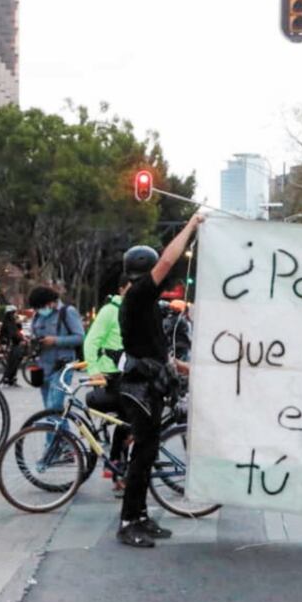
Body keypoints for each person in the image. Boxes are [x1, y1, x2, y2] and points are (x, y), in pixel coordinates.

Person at [116, 214, 203, 548]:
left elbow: (160, 353)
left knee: (148, 453)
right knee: (143, 454)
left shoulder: (148, 304)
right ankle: (127, 521)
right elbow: (169, 258)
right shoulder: (138, 296)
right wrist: (192, 224)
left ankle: (140, 516)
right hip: (139, 387)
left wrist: (186, 368)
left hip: (149, 382)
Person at [83, 275, 131, 494]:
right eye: (129, 288)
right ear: (121, 289)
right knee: (126, 423)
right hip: (112, 377)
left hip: (130, 375)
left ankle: (116, 469)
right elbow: (91, 341)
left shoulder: (134, 309)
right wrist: (93, 371)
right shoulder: (110, 311)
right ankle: (116, 471)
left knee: (128, 424)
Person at [27, 286, 84, 417]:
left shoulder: (67, 312)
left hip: (62, 367)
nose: (39, 310)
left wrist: (55, 341)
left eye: (40, 307)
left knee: (54, 410)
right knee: (51, 413)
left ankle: (53, 438)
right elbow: (34, 334)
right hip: (43, 368)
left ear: (50, 302)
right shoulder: (38, 316)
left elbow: (80, 337)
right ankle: (64, 437)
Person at [0, 305, 26, 386]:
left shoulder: (12, 322)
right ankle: (7, 378)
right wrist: (21, 339)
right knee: (12, 362)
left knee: (15, 361)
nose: (15, 314)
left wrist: (19, 323)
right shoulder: (8, 322)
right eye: (14, 313)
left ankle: (11, 379)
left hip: (14, 344)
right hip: (9, 345)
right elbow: (13, 334)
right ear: (10, 313)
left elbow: (18, 331)